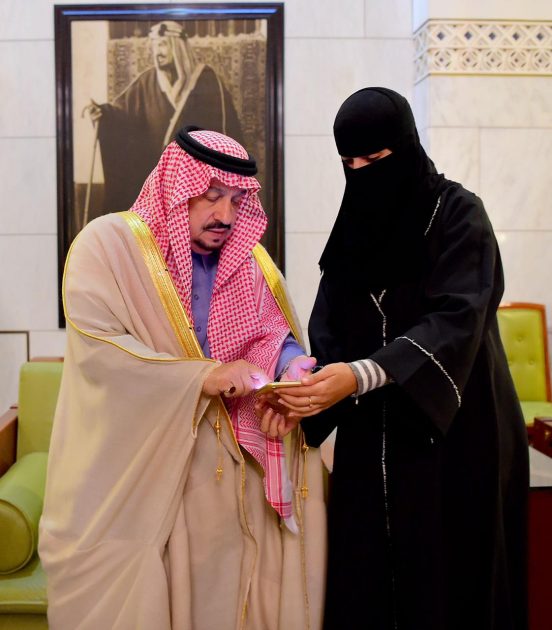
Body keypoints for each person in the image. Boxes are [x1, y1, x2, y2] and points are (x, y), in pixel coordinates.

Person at [261, 88, 529, 630]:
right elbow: (331, 325)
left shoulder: (459, 215)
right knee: (370, 579)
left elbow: (456, 317)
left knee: (450, 577)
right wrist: (307, 391)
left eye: (375, 158)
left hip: (457, 429)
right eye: (349, 163)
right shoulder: (354, 224)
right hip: (372, 438)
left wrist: (358, 376)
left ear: (405, 146)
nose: (362, 174)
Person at [38, 126, 326, 630]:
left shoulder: (248, 261)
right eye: (212, 196)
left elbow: (268, 333)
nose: (226, 215)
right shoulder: (108, 247)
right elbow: (103, 353)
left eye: (237, 200)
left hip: (229, 480)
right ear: (177, 188)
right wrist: (204, 376)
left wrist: (292, 365)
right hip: (144, 471)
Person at [86, 21, 243, 216]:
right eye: (154, 46)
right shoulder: (146, 81)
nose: (157, 52)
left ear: (177, 46)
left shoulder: (207, 81)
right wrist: (103, 114)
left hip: (195, 179)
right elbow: (121, 115)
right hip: (157, 179)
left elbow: (224, 129)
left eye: (162, 45)